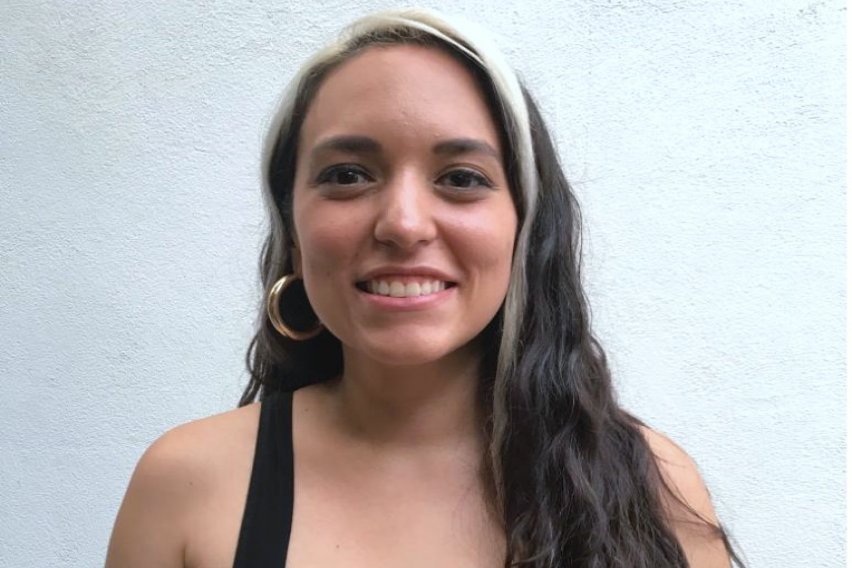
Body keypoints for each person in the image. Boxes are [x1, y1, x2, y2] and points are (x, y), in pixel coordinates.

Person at [106, 8, 743, 568]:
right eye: (348, 175)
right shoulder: (185, 486)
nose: (404, 224)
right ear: (292, 231)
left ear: (525, 231)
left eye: (461, 178)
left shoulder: (653, 491)